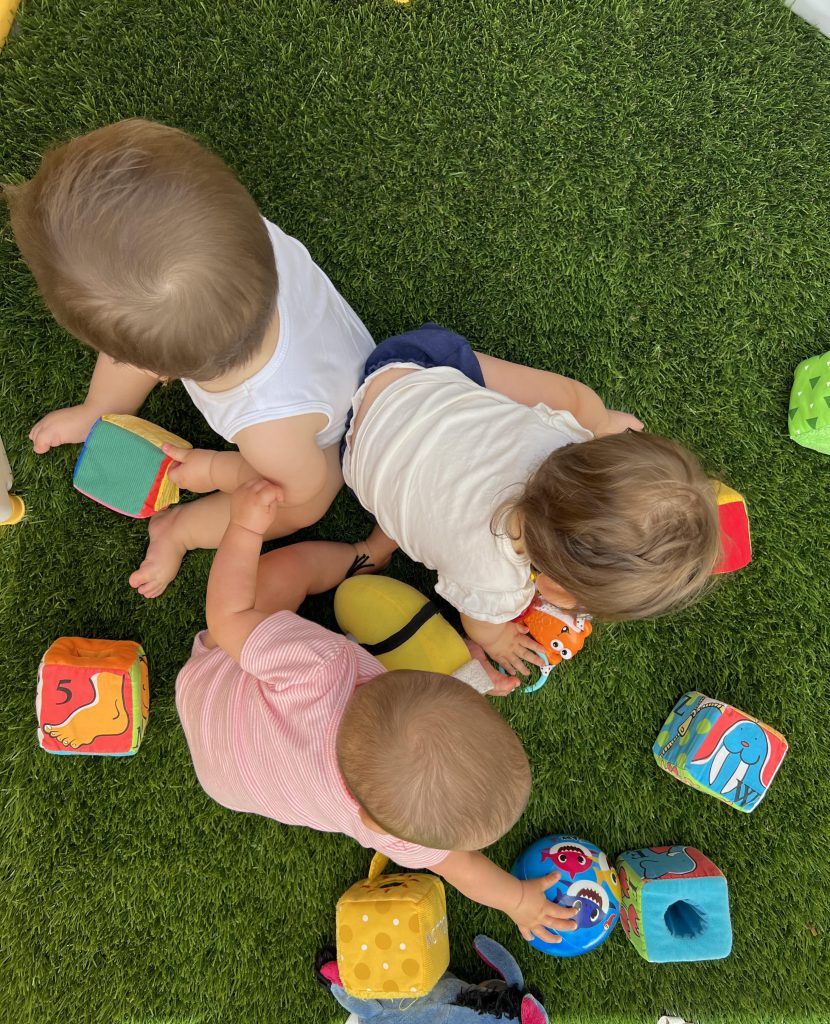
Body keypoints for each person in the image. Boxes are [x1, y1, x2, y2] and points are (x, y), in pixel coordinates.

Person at [176, 478, 579, 945]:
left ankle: (365, 552)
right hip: (225, 780)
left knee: (276, 580)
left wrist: (245, 528)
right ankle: (361, 554)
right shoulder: (394, 829)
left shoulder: (319, 670)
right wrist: (519, 902)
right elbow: (463, 868)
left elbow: (226, 620)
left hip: (213, 686)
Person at [5, 118, 374, 597]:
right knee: (148, 315)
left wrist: (221, 469)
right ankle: (99, 409)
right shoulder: (238, 244)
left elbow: (299, 487)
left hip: (326, 425)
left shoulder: (268, 428)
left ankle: (180, 529)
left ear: (158, 373)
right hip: (311, 352)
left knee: (304, 500)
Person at [341, 324, 722, 674]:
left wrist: (597, 426)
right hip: (362, 466)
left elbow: (578, 421)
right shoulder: (497, 587)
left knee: (582, 402)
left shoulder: (557, 431)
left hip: (401, 374)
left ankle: (603, 424)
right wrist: (497, 638)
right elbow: (479, 623)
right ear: (556, 588)